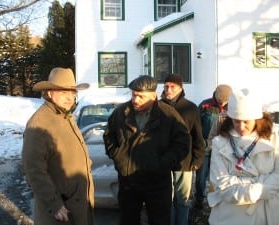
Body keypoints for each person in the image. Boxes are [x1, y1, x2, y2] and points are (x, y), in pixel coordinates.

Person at [103, 75, 191, 225]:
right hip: (128, 182)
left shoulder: (168, 115)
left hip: (158, 183)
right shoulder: (120, 113)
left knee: (160, 221)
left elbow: (182, 143)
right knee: (128, 220)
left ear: (153, 96)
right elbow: (109, 137)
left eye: (140, 96)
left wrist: (163, 163)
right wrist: (119, 158)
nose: (135, 100)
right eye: (133, 95)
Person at [22, 67, 94, 225]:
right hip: (61, 213)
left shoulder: (66, 115)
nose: (70, 97)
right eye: (63, 92)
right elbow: (34, 171)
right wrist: (54, 205)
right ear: (48, 92)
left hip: (77, 206)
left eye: (72, 92)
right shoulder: (39, 125)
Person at [208, 88, 279, 225]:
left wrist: (239, 181)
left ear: (257, 118)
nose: (241, 126)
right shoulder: (220, 142)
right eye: (236, 121)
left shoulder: (275, 137)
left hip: (268, 214)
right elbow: (222, 185)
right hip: (231, 216)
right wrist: (259, 187)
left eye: (246, 121)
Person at [160, 74, 205, 225]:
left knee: (183, 199)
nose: (169, 90)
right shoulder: (157, 107)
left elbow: (198, 135)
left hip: (184, 162)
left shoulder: (190, 108)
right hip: (162, 161)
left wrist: (198, 159)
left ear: (180, 88)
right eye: (166, 86)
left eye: (173, 86)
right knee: (166, 199)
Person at [194, 84, 232, 209]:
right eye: (220, 100)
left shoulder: (232, 108)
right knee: (201, 177)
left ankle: (217, 201)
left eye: (225, 101)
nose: (222, 103)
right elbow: (196, 126)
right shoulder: (205, 105)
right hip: (205, 147)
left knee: (218, 177)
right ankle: (199, 199)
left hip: (223, 149)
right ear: (215, 94)